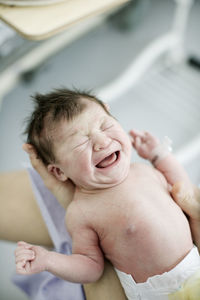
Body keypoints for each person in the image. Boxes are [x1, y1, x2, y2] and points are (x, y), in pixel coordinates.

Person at [14, 88, 200, 300]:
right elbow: (91, 268)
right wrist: (48, 261)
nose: (102, 142)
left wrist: (160, 156)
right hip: (159, 293)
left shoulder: (143, 170)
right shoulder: (82, 211)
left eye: (105, 126)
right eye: (80, 142)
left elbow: (183, 189)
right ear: (59, 171)